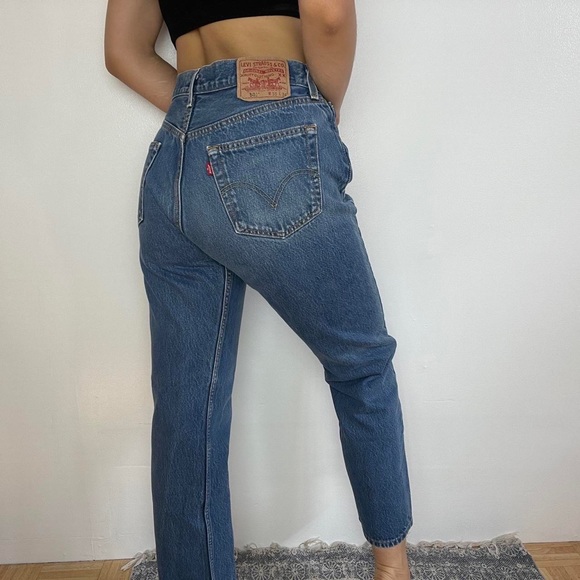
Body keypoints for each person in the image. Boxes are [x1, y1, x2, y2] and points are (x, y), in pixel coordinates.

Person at [104, 1, 413, 578]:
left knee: (187, 406)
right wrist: (315, 110)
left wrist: (204, 113)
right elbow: (328, 15)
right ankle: (394, 569)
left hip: (173, 158)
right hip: (272, 128)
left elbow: (122, 51)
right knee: (361, 365)